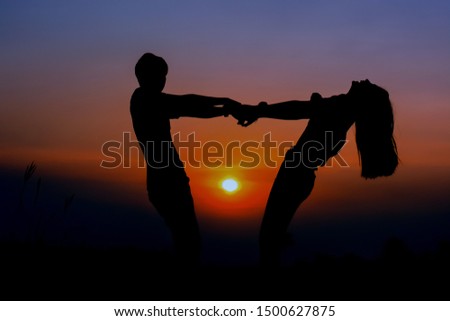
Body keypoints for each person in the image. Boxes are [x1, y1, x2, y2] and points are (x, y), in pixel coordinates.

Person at [231, 80, 399, 267]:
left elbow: (297, 110)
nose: (365, 80)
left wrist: (259, 111)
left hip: (294, 175)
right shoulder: (342, 109)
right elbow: (304, 110)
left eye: (368, 86)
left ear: (363, 100)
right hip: (300, 175)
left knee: (268, 242)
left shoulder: (340, 108)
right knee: (271, 240)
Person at [130, 53, 239, 265]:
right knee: (189, 243)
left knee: (185, 241)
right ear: (144, 76)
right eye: (159, 75)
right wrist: (224, 104)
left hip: (166, 181)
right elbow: (187, 103)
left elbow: (188, 106)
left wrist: (223, 109)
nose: (162, 81)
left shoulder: (148, 100)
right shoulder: (145, 99)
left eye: (164, 76)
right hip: (167, 182)